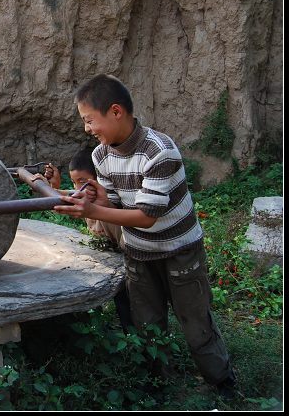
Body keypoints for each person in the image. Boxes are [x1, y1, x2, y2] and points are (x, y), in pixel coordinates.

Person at [52, 74, 237, 400]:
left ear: (116, 111)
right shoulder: (101, 156)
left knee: (196, 324)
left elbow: (146, 217)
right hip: (139, 253)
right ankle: (157, 387)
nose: (87, 129)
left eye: (90, 120)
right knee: (148, 325)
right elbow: (115, 206)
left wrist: (91, 211)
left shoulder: (159, 151)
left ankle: (223, 385)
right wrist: (94, 199)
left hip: (180, 250)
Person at [29, 149, 133, 333]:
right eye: (75, 183)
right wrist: (50, 187)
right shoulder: (84, 197)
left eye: (83, 182)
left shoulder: (111, 201)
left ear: (99, 180)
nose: (79, 189)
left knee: (130, 308)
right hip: (110, 262)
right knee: (121, 304)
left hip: (129, 263)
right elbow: (65, 198)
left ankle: (135, 341)